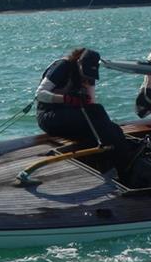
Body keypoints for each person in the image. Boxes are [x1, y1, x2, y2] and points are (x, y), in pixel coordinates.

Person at [35, 48, 132, 178]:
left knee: (113, 129)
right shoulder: (63, 66)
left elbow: (92, 104)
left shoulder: (89, 75)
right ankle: (120, 168)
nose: (87, 77)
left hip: (71, 116)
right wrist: (66, 99)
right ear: (79, 62)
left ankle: (122, 167)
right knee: (99, 119)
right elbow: (40, 94)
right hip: (49, 116)